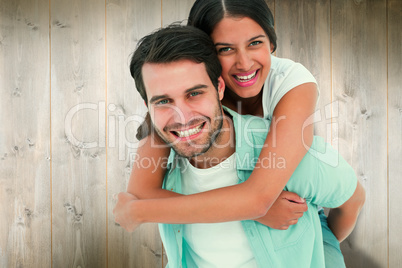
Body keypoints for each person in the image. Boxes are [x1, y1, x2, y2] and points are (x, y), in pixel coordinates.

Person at [116, 0, 357, 266]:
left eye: (255, 43)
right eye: (225, 49)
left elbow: (260, 198)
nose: (243, 63)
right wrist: (245, 210)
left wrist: (315, 248)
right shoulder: (174, 93)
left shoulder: (289, 85)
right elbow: (141, 191)